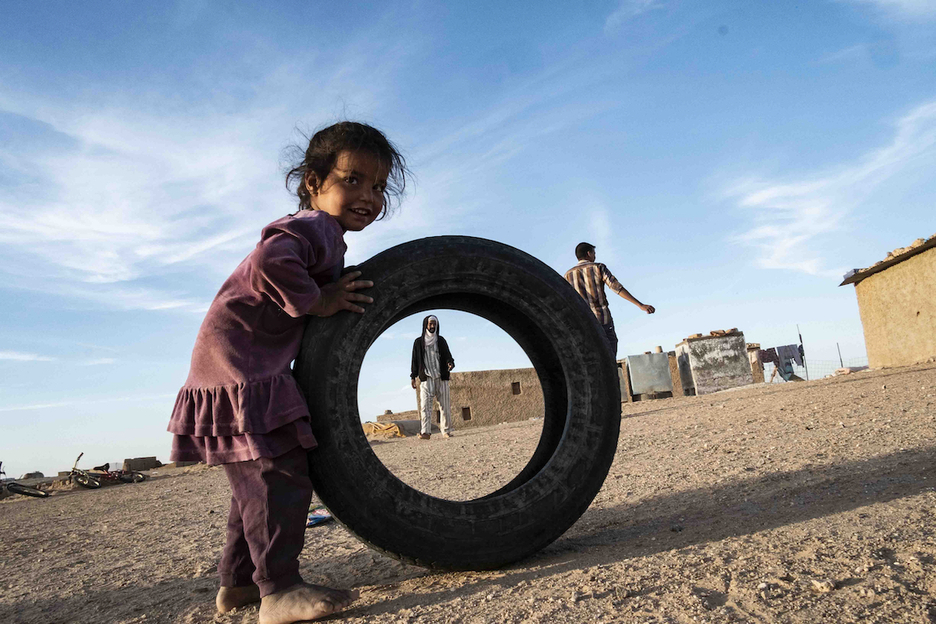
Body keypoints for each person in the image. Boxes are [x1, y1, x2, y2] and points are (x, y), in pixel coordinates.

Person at [167, 121, 408, 623]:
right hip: (244, 368)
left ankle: (239, 586)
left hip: (234, 368)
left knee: (254, 485)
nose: (368, 195)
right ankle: (279, 591)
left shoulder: (328, 236)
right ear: (314, 182)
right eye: (353, 180)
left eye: (379, 186)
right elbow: (272, 259)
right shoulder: (310, 227)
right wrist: (318, 300)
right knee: (279, 476)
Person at [564, 242, 655, 356]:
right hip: (602, 320)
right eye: (594, 253)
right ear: (588, 253)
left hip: (582, 323)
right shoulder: (598, 267)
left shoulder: (567, 275)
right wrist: (640, 305)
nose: (595, 256)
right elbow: (616, 287)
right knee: (609, 355)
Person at [409, 315, 455, 439]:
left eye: (434, 324)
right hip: (426, 378)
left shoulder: (441, 341)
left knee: (445, 405)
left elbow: (448, 355)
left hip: (441, 377)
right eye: (430, 324)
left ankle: (446, 431)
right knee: (425, 407)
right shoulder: (418, 342)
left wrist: (450, 363)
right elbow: (414, 360)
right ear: (426, 325)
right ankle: (426, 432)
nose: (433, 326)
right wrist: (413, 376)